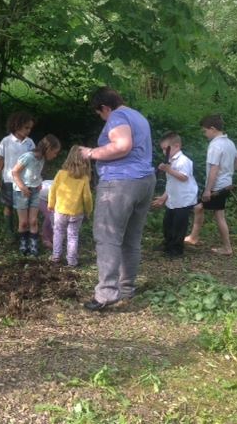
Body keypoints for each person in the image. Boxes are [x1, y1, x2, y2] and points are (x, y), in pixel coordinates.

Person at [79, 86, 155, 311]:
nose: (102, 118)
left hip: (120, 183)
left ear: (104, 107)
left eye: (100, 113)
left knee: (107, 236)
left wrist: (91, 153)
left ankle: (106, 294)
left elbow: (122, 146)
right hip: (144, 181)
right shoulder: (137, 116)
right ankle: (126, 288)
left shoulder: (117, 117)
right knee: (131, 238)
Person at [185, 114, 237, 256]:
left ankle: (227, 248)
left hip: (217, 187)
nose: (204, 134)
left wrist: (208, 190)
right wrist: (229, 174)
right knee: (199, 208)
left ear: (212, 129)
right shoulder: (229, 142)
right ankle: (193, 237)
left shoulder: (215, 145)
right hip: (225, 185)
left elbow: (214, 169)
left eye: (205, 131)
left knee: (217, 215)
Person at [11, 134, 61, 256]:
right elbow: (15, 172)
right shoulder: (28, 157)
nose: (55, 156)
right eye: (54, 152)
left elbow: (36, 174)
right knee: (23, 222)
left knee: (33, 221)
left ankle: (34, 245)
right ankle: (24, 244)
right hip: (21, 192)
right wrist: (23, 187)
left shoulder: (42, 160)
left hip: (34, 192)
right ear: (48, 149)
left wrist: (38, 182)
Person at [151, 132, 199, 257]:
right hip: (173, 199)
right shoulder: (170, 161)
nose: (163, 152)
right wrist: (163, 197)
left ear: (177, 146)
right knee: (168, 223)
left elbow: (183, 177)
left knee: (179, 225)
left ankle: (176, 249)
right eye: (162, 150)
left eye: (166, 149)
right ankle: (168, 244)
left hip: (184, 199)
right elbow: (171, 182)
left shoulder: (184, 161)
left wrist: (168, 170)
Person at [47, 145, 93, 267]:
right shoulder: (84, 178)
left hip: (60, 210)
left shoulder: (61, 174)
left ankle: (56, 256)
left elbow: (53, 190)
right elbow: (87, 197)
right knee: (73, 236)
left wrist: (51, 204)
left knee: (58, 233)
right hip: (76, 212)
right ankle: (72, 261)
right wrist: (88, 210)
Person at [0, 112, 35, 239]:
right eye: (26, 128)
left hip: (25, 182)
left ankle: (22, 230)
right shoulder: (6, 141)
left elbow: (34, 161)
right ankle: (9, 230)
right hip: (8, 180)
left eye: (30, 128)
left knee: (23, 206)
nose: (28, 131)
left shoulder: (30, 143)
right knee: (9, 205)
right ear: (16, 126)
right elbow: (0, 161)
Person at [38, 179, 55, 249]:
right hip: (40, 196)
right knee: (49, 216)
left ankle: (51, 237)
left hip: (49, 197)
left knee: (53, 216)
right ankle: (45, 239)